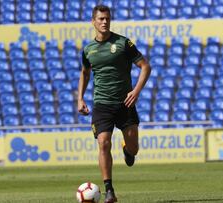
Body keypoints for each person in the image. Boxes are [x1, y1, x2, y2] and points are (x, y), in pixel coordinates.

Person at [77, 5, 151, 203]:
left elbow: (145, 67)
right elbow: (84, 73)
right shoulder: (88, 50)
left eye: (107, 18)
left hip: (125, 103)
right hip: (102, 104)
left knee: (134, 149)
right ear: (93, 21)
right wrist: (80, 98)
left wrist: (136, 91)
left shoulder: (123, 43)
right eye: (100, 19)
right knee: (103, 142)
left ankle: (127, 149)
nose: (104, 22)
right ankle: (109, 189)